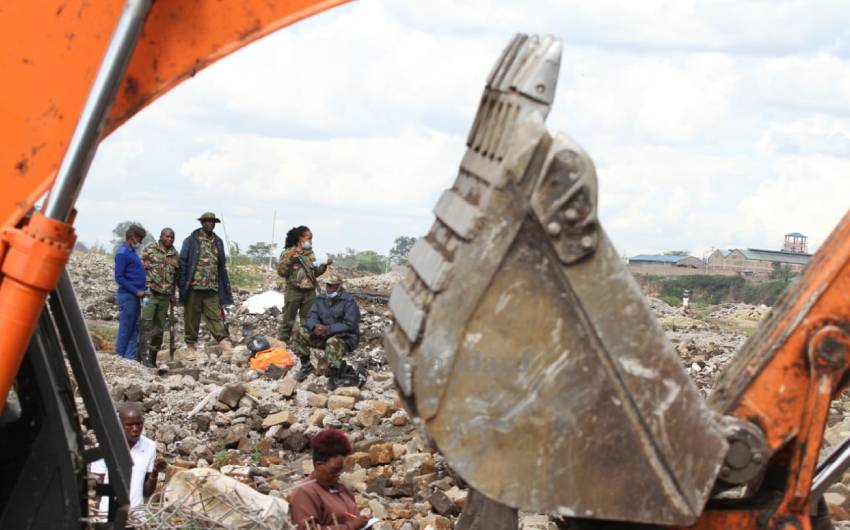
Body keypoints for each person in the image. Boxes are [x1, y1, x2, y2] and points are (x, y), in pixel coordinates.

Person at [90, 402, 165, 518]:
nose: (135, 429)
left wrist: (155, 472)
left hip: (136, 518)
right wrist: (94, 519)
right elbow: (96, 489)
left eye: (138, 424)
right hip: (107, 517)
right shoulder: (104, 447)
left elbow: (146, 492)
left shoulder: (149, 446)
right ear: (119, 425)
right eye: (129, 425)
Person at [290, 272, 361, 389]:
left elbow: (350, 324)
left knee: (332, 342)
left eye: (332, 286)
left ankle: (335, 374)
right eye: (327, 285)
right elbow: (311, 316)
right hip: (322, 334)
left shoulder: (349, 302)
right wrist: (314, 327)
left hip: (344, 338)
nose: (329, 288)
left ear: (339, 286)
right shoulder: (321, 299)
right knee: (299, 332)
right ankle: (306, 366)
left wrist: (328, 329)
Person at [178, 212, 233, 357]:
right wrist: (182, 285)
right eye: (207, 221)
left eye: (213, 222)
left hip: (212, 287)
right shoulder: (191, 240)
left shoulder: (218, 241)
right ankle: (191, 346)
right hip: (194, 286)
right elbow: (183, 262)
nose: (210, 224)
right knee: (191, 317)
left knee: (215, 315)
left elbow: (221, 265)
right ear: (202, 223)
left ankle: (224, 343)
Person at [289, 429, 369, 530]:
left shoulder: (342, 489)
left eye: (341, 470)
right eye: (334, 470)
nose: (338, 474)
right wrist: (350, 526)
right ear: (319, 465)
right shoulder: (305, 493)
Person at [277, 225, 332, 343]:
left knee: (308, 320)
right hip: (294, 290)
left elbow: (314, 273)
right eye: (308, 238)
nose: (310, 241)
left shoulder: (310, 254)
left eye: (311, 239)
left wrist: (324, 265)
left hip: (309, 292)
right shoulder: (288, 253)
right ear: (299, 238)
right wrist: (289, 259)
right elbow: (282, 272)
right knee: (288, 319)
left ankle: (303, 343)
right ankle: (283, 343)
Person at [139, 228, 179, 367]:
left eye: (172, 237)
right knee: (146, 324)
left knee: (159, 329)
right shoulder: (149, 250)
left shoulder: (175, 254)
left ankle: (152, 359)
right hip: (151, 293)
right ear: (161, 237)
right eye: (167, 237)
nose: (169, 239)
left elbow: (175, 277)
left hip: (165, 296)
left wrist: (173, 294)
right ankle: (140, 356)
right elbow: (139, 269)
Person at [114, 224, 148, 361]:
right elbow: (119, 277)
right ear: (132, 238)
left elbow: (132, 270)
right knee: (126, 328)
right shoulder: (122, 253)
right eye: (139, 240)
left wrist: (143, 267)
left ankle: (129, 359)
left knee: (134, 328)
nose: (139, 243)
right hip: (128, 296)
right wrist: (136, 291)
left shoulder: (131, 252)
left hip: (134, 297)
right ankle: (118, 358)